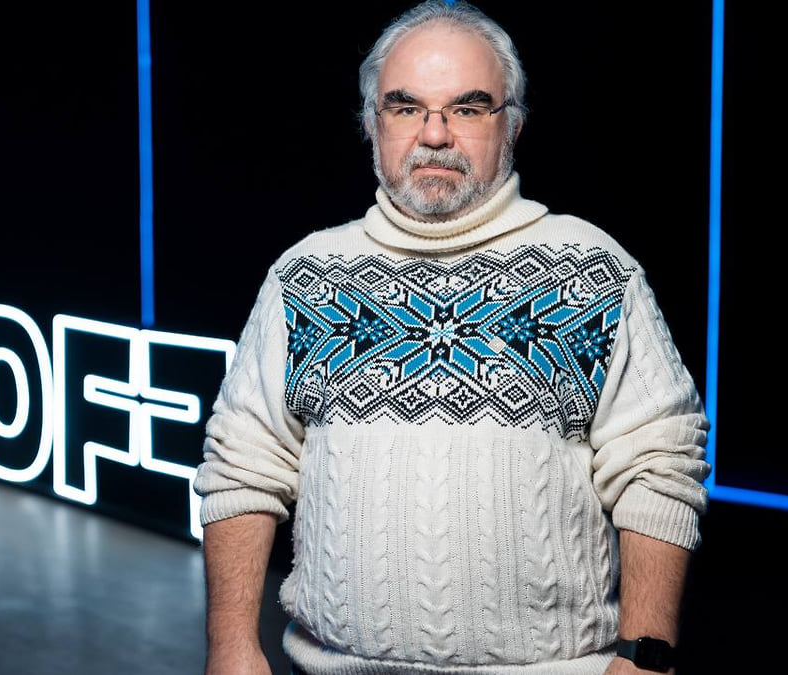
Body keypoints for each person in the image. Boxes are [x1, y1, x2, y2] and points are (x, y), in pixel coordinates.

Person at [192, 2, 711, 674]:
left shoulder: (593, 271)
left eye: (467, 108)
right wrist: (231, 644)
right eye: (406, 107)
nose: (434, 134)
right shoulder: (305, 275)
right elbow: (243, 464)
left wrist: (645, 658)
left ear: (512, 124)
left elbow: (659, 466)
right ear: (372, 123)